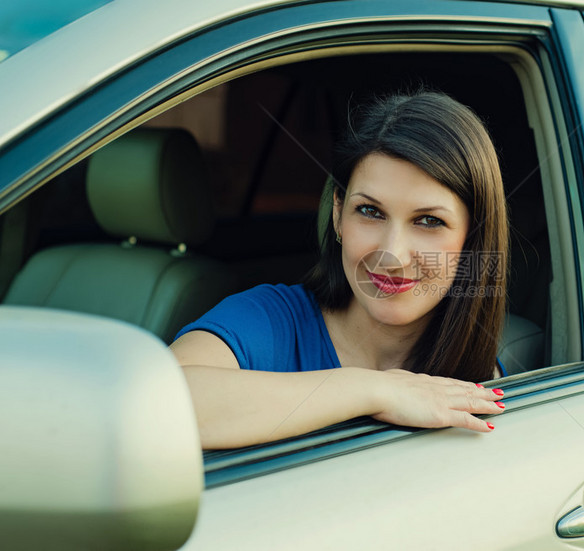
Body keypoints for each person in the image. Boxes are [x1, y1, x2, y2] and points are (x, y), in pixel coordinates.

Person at [170, 91, 509, 449]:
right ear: (337, 214)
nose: (392, 256)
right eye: (371, 212)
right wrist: (375, 389)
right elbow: (153, 403)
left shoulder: (479, 379)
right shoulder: (271, 320)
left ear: (472, 239)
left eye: (428, 221)